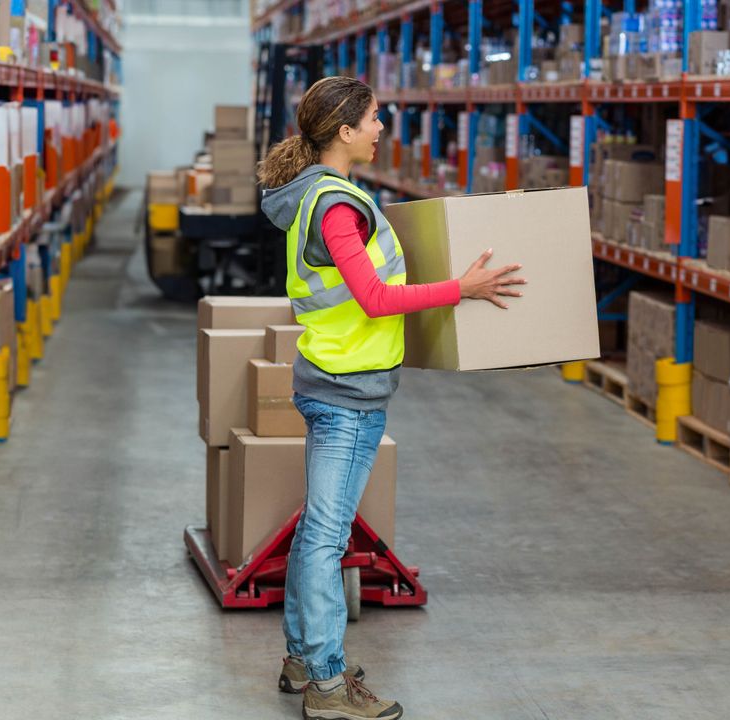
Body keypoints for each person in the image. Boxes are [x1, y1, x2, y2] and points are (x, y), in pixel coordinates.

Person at [258, 76, 526, 720]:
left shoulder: (326, 195)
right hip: (346, 390)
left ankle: (302, 659)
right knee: (326, 535)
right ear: (345, 131)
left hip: (332, 377)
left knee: (317, 531)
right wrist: (460, 289)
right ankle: (326, 684)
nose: (383, 128)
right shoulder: (335, 206)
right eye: (375, 118)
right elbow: (374, 299)